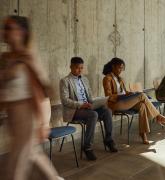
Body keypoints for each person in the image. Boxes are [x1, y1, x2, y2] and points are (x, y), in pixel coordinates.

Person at [0, 15, 61, 180]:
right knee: (33, 154)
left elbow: (41, 90)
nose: (4, 31)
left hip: (27, 115)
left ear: (21, 32)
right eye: (4, 27)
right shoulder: (4, 58)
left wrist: (44, 122)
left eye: (8, 28)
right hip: (11, 115)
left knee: (16, 165)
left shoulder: (28, 56)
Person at [60, 57, 118, 161]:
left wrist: (98, 102)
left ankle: (109, 140)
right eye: (77, 68)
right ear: (71, 67)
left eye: (81, 68)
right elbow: (65, 100)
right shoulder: (65, 81)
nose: (80, 70)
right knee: (93, 115)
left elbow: (90, 98)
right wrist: (81, 105)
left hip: (88, 108)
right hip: (75, 111)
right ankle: (87, 147)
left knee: (107, 111)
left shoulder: (85, 79)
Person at [102, 57, 165, 144]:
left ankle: (143, 134)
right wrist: (123, 95)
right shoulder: (107, 78)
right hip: (115, 104)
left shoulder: (120, 79)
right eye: (119, 68)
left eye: (122, 68)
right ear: (113, 67)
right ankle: (158, 116)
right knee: (142, 95)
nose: (121, 70)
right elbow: (108, 96)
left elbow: (123, 92)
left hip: (124, 101)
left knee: (142, 105)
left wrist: (130, 93)